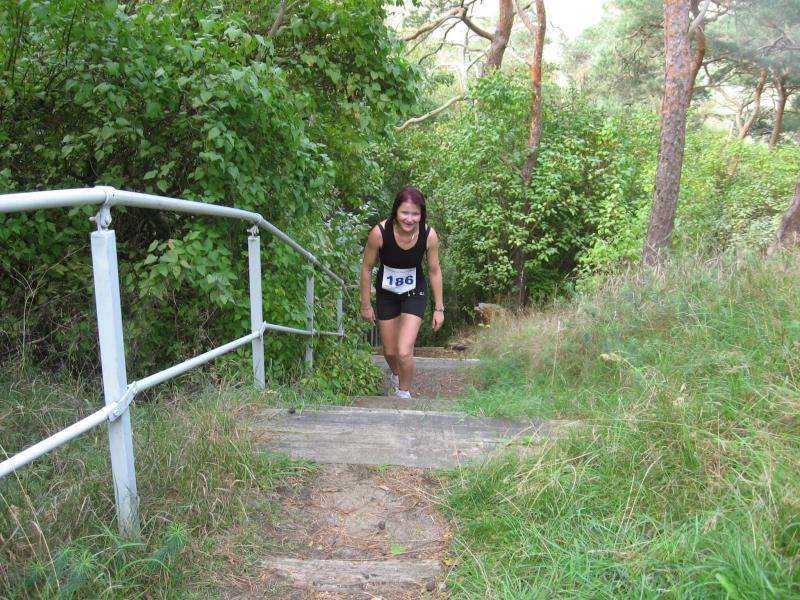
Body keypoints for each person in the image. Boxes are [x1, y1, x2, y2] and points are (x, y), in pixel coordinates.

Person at [360, 187, 444, 398]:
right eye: (404, 212)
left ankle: (404, 394)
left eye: (415, 214)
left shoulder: (428, 235)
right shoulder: (379, 233)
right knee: (390, 352)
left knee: (404, 351)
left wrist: (439, 308)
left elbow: (434, 271)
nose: (409, 219)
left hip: (414, 291)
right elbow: (367, 268)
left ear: (422, 214)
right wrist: (365, 304)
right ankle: (396, 375)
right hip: (387, 293)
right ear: (396, 211)